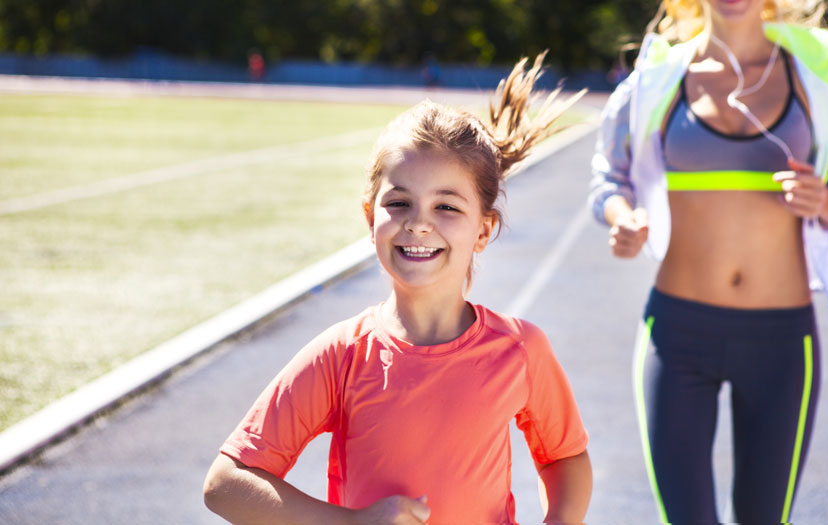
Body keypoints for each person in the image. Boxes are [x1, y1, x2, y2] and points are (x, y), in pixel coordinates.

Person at [204, 52, 592, 524]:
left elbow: (564, 458)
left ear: (484, 229)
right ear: (371, 219)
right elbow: (226, 483)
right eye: (400, 202)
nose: (419, 224)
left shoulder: (520, 349)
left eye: (447, 207)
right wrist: (349, 522)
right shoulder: (342, 355)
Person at [589, 0, 828, 522]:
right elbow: (609, 179)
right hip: (677, 335)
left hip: (781, 343)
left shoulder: (819, 80)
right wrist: (623, 217)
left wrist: (823, 201)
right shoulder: (657, 79)